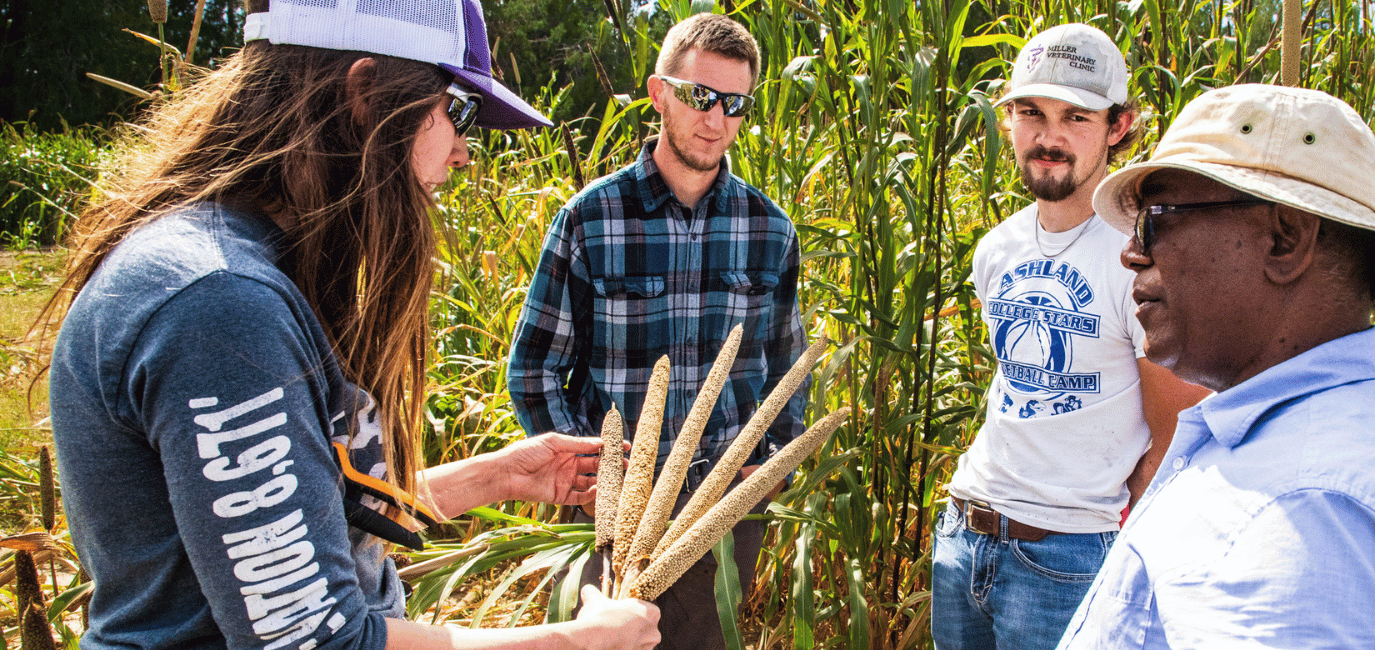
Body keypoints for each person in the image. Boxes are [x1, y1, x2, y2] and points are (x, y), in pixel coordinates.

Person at [44, 1, 661, 648]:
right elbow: (314, 639)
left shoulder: (231, 268)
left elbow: (293, 518)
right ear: (366, 96)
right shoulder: (219, 309)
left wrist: (499, 477)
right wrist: (578, 641)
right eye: (458, 111)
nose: (462, 154)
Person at [1057, 84, 1375, 647]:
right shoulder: (1302, 444)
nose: (1132, 253)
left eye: (1159, 218)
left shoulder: (1308, 515)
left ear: (1284, 240)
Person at [506, 13, 805, 650]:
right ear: (658, 91)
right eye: (699, 95)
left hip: (717, 512)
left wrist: (771, 467)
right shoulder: (591, 218)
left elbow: (786, 365)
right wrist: (591, 479)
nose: (715, 118)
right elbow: (533, 367)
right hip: (612, 517)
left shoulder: (769, 230)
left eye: (735, 104)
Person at [931, 23, 1209, 650]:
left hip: (1068, 560)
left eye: (1075, 117)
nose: (1048, 137)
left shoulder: (1140, 258)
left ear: (1119, 127)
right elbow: (1017, 379)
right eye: (1031, 112)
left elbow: (1175, 429)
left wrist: (1109, 539)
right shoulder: (998, 247)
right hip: (964, 534)